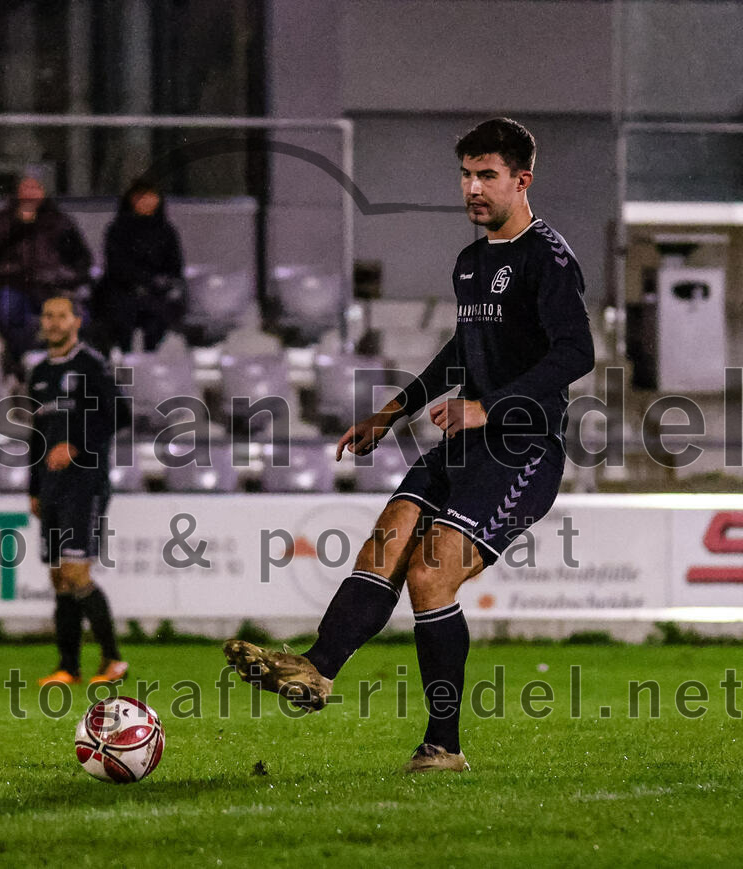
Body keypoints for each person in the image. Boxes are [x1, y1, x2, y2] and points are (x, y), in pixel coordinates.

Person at [223, 118, 595, 772]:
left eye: (486, 175)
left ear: (521, 180)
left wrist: (490, 404)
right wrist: (392, 412)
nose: (472, 188)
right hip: (465, 443)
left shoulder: (548, 257)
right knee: (389, 535)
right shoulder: (472, 263)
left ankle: (443, 745)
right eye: (465, 175)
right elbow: (461, 352)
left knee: (429, 571)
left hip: (523, 447)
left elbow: (576, 351)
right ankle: (319, 667)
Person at [28, 294, 131, 687]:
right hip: (51, 487)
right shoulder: (38, 372)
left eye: (61, 316)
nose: (54, 323)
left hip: (84, 484)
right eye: (48, 315)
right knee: (58, 577)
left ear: (76, 321)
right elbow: (37, 436)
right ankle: (68, 667)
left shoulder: (91, 365)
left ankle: (113, 660)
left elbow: (119, 413)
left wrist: (77, 445)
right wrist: (34, 487)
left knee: (75, 571)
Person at [0, 175, 92, 375]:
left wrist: (67, 279)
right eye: (25, 188)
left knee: (79, 317)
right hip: (12, 283)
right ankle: (20, 361)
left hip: (51, 286)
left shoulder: (60, 221)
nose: (30, 193)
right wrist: (17, 223)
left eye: (35, 188)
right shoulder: (1, 218)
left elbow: (82, 259)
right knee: (9, 311)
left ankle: (56, 365)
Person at [96, 179, 185, 353]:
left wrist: (159, 283)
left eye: (151, 196)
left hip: (156, 293)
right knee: (121, 323)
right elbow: (116, 265)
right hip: (122, 291)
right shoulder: (117, 229)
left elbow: (175, 266)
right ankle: (125, 372)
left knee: (158, 319)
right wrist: (139, 281)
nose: (146, 201)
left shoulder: (167, 231)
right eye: (140, 197)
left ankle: (150, 367)